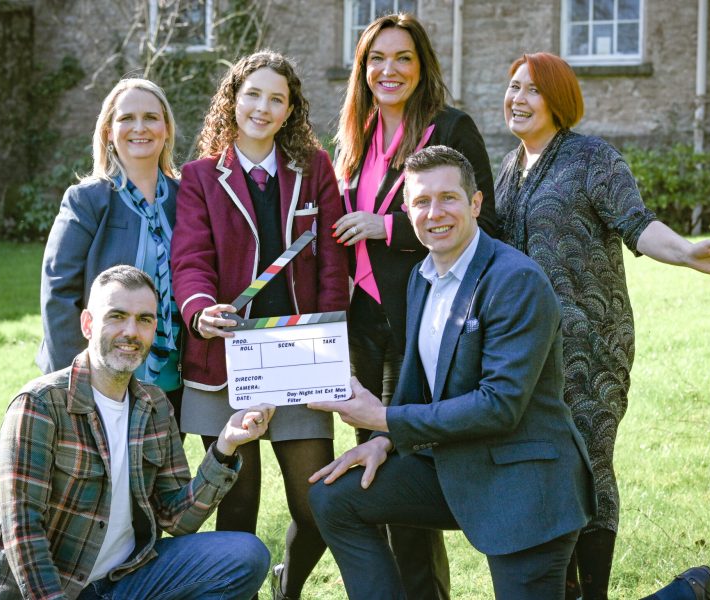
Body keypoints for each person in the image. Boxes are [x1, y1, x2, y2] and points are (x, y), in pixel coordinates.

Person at [496, 52, 710, 600]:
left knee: (587, 466)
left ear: (558, 101)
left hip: (589, 346)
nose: (517, 98)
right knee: (543, 472)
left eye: (531, 90)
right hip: (523, 354)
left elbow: (638, 225)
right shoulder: (507, 168)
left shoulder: (593, 159)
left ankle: (594, 593)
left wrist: (684, 251)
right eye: (513, 87)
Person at [306, 145, 595, 599]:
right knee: (333, 497)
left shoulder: (516, 280)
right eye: (421, 201)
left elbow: (499, 407)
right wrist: (384, 441)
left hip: (524, 483)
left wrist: (382, 420)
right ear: (406, 210)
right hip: (452, 465)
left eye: (449, 198)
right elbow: (420, 384)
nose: (434, 213)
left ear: (476, 203)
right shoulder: (421, 276)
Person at [170, 50, 348, 600]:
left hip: (300, 353)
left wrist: (328, 338)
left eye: (277, 99)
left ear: (291, 109)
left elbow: (332, 266)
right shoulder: (200, 176)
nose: (262, 108)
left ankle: (286, 590)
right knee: (237, 506)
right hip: (226, 360)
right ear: (233, 99)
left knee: (315, 506)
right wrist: (200, 311)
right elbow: (190, 256)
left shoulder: (314, 168)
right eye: (252, 95)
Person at [0, 265, 273, 599]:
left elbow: (176, 519)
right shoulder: (39, 406)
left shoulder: (155, 406)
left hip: (126, 580)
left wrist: (224, 446)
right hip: (58, 588)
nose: (131, 332)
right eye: (117, 316)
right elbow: (22, 532)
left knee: (245, 556)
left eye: (144, 319)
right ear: (88, 324)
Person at [331, 13, 498, 598]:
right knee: (373, 474)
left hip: (423, 324)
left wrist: (387, 226)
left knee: (407, 473)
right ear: (363, 69)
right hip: (363, 327)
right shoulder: (355, 137)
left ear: (422, 65)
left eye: (403, 57)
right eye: (377, 58)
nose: (389, 70)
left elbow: (487, 221)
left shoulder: (451, 127)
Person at [37, 78, 185, 422]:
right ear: (108, 131)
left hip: (170, 376)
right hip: (101, 371)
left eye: (151, 117)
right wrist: (76, 378)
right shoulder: (87, 200)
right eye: (126, 118)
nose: (139, 128)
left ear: (166, 129)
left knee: (159, 473)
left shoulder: (186, 198)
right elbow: (58, 292)